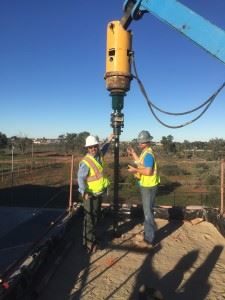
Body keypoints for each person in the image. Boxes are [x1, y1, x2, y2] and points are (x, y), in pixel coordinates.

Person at [77, 133, 114, 253]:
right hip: (89, 195)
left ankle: (92, 238)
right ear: (87, 148)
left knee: (96, 216)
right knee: (90, 218)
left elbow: (104, 148)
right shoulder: (85, 162)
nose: (93, 149)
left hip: (98, 193)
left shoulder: (99, 155)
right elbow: (80, 178)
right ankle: (88, 243)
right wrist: (83, 192)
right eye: (90, 147)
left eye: (95, 146)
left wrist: (109, 139)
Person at [127, 130, 160, 247]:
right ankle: (148, 234)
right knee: (147, 210)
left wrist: (135, 170)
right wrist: (133, 153)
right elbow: (140, 163)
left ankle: (149, 239)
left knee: (147, 212)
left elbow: (148, 171)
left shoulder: (149, 155)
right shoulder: (145, 153)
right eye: (139, 142)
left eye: (141, 142)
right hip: (146, 185)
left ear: (146, 142)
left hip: (149, 186)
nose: (139, 144)